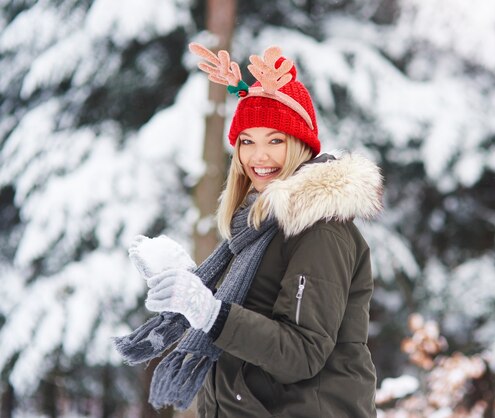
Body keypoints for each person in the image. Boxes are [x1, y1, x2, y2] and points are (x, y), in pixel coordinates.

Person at [115, 44, 383, 417]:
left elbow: (301, 354)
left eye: (275, 140)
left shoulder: (321, 229)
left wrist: (209, 312)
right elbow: (247, 317)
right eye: (247, 142)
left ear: (301, 145)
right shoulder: (254, 229)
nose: (259, 157)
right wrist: (188, 282)